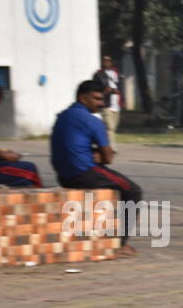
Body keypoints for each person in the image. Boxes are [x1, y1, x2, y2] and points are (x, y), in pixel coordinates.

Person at [50, 79, 145, 257]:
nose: (101, 104)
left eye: (102, 99)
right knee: (133, 191)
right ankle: (120, 242)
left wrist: (93, 151)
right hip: (84, 173)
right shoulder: (93, 121)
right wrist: (99, 153)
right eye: (97, 99)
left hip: (63, 175)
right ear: (83, 98)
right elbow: (108, 158)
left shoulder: (62, 116)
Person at [92, 54, 122, 146]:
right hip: (105, 103)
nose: (106, 62)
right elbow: (94, 89)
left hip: (116, 105)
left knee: (112, 128)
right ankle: (111, 148)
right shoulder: (98, 74)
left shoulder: (116, 73)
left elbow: (120, 87)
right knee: (110, 127)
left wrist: (116, 91)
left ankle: (99, 142)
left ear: (111, 62)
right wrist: (104, 92)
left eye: (108, 60)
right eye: (104, 60)